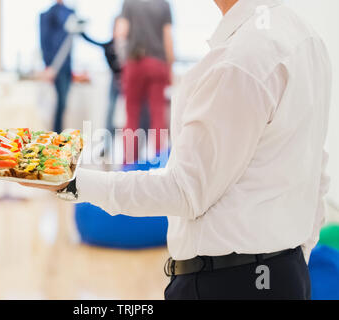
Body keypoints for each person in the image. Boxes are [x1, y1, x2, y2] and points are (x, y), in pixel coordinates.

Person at [24, 0, 332, 300]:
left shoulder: (240, 59)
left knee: (135, 128)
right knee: (154, 130)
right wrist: (292, 263)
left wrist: (71, 181)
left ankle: (137, 162)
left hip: (226, 284)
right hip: (285, 275)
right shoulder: (307, 39)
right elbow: (317, 174)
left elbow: (184, 189)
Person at [118, 0, 174, 163]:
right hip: (158, 64)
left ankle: (129, 163)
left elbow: (121, 33)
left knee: (132, 114)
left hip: (134, 63)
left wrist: (124, 61)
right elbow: (167, 38)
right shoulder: (163, 4)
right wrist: (169, 67)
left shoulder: (129, 3)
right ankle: (159, 162)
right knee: (158, 114)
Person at [81, 17, 124, 156]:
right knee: (110, 113)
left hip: (129, 82)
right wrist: (81, 30)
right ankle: (106, 146)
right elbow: (91, 41)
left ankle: (133, 149)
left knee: (131, 115)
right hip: (115, 81)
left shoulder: (130, 47)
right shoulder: (109, 45)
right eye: (118, 27)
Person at [40, 0, 75, 133]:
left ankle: (58, 135)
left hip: (66, 66)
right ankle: (55, 135)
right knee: (56, 104)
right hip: (54, 67)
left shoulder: (71, 13)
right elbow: (43, 40)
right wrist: (48, 65)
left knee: (63, 104)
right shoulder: (47, 15)